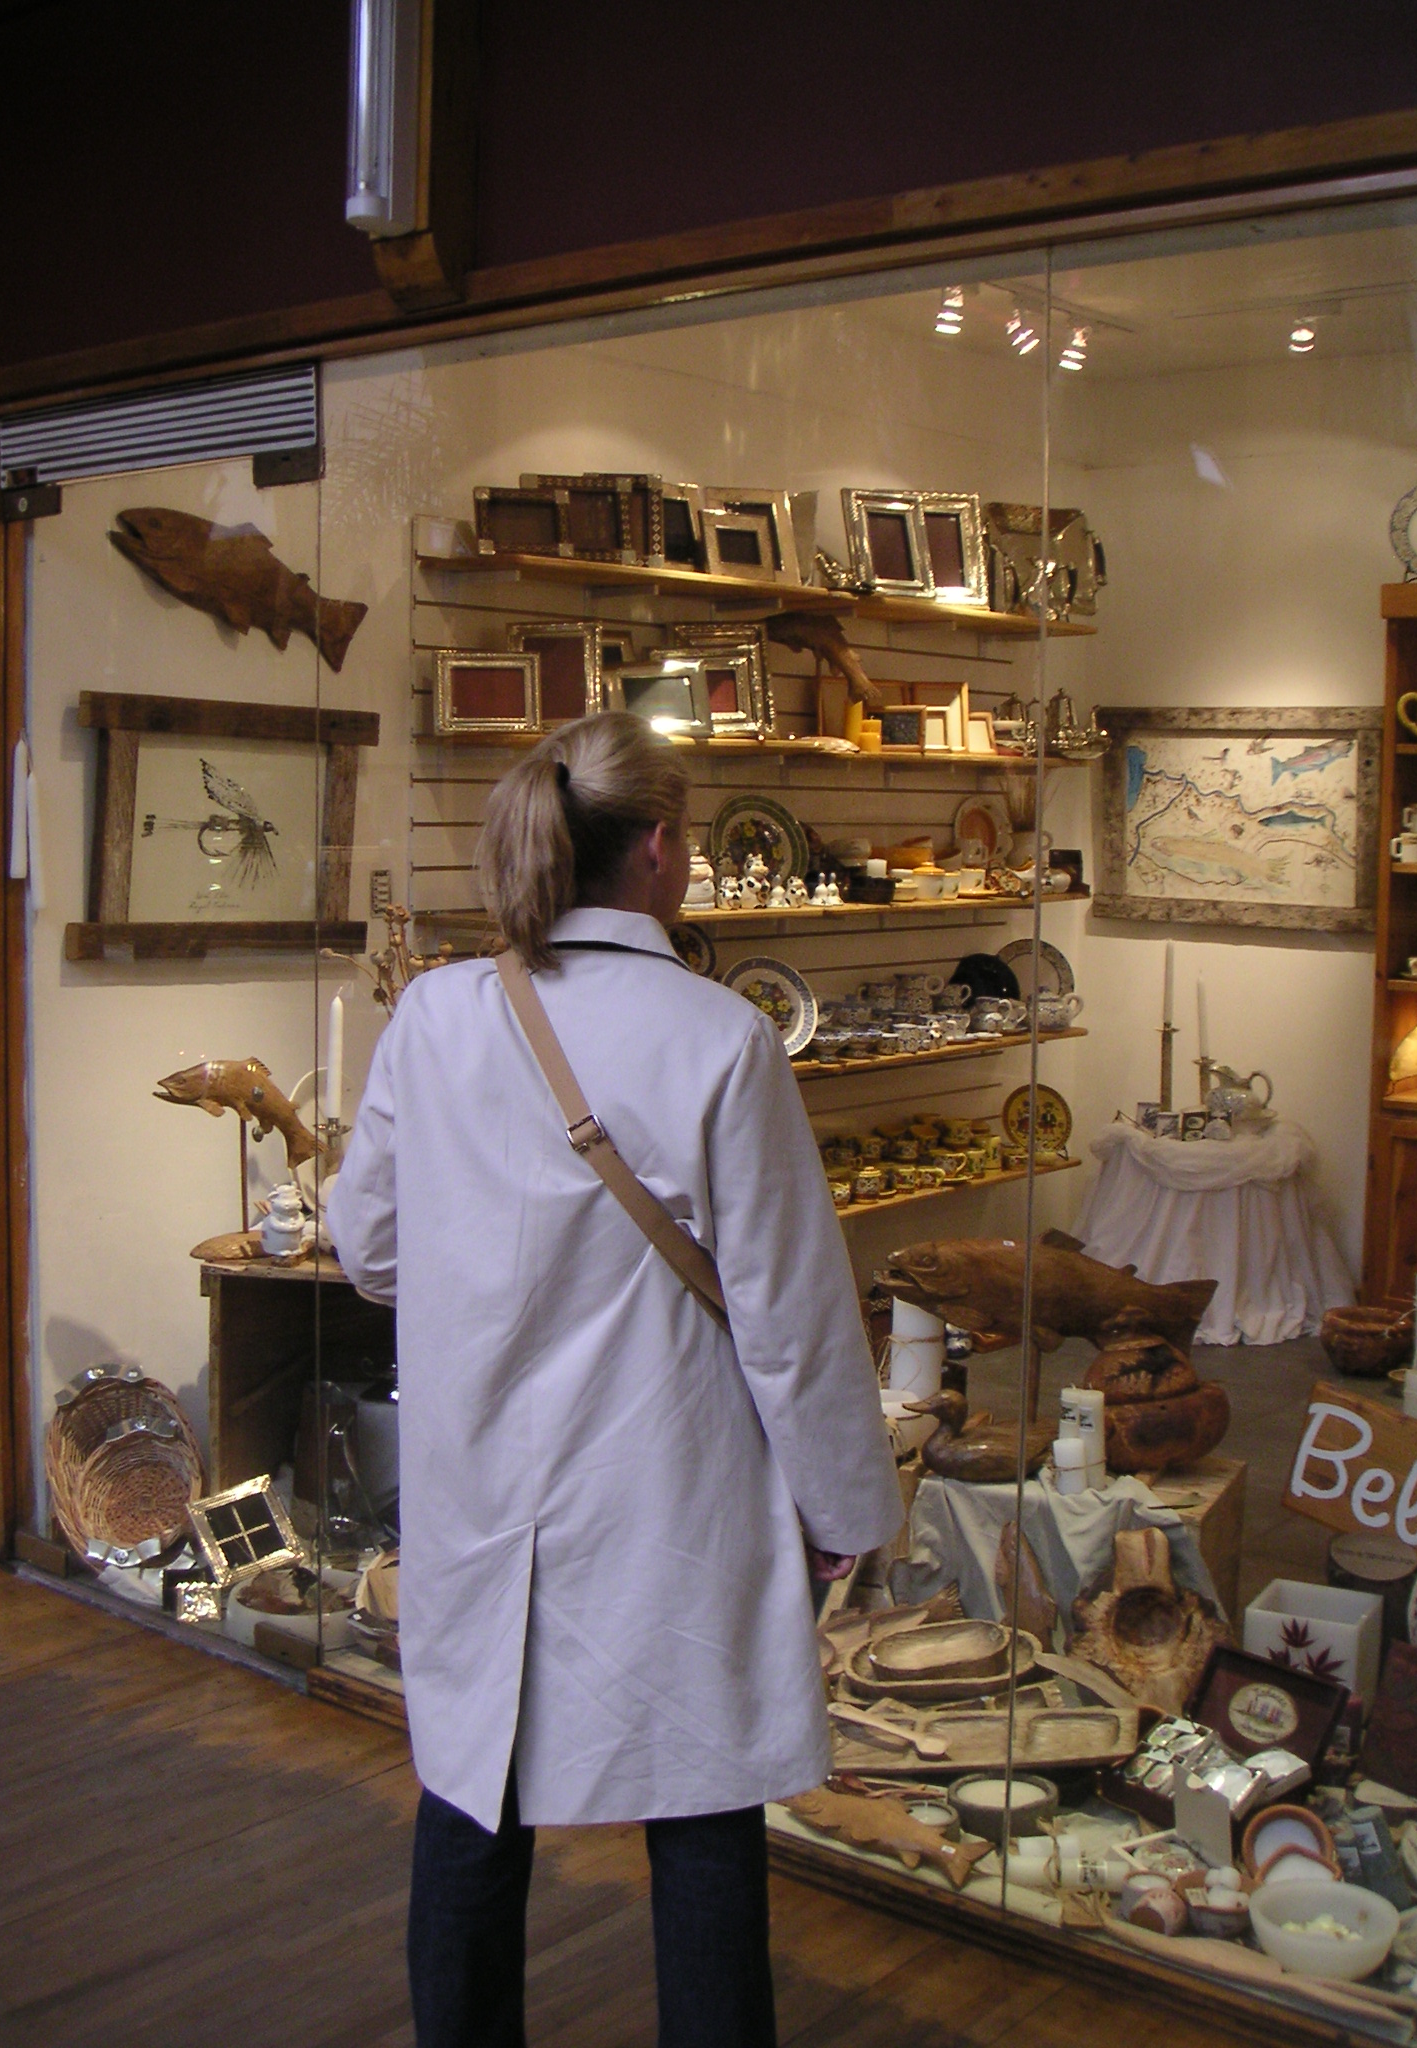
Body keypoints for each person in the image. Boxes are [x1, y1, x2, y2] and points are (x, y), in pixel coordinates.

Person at [328, 711, 902, 2048]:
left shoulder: (437, 1015)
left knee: (473, 1800)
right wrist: (844, 1511)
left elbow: (370, 1248)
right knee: (701, 1811)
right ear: (657, 846)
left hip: (484, 1487)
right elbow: (794, 1320)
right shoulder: (721, 1039)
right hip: (671, 1489)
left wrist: (491, 1284)